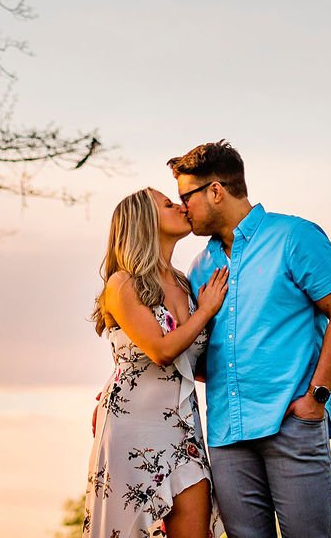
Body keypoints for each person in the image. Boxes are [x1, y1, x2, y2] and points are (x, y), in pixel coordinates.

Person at [173, 141, 331, 538]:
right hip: (227, 436)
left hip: (291, 424)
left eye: (185, 197)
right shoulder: (200, 266)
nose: (183, 209)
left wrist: (318, 398)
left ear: (215, 191)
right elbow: (196, 351)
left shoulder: (295, 236)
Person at [81, 187, 232, 538]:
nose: (180, 207)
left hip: (184, 429)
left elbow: (192, 362)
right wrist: (207, 310)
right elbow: (161, 350)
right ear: (145, 222)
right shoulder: (123, 284)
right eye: (168, 204)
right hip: (133, 427)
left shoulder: (185, 282)